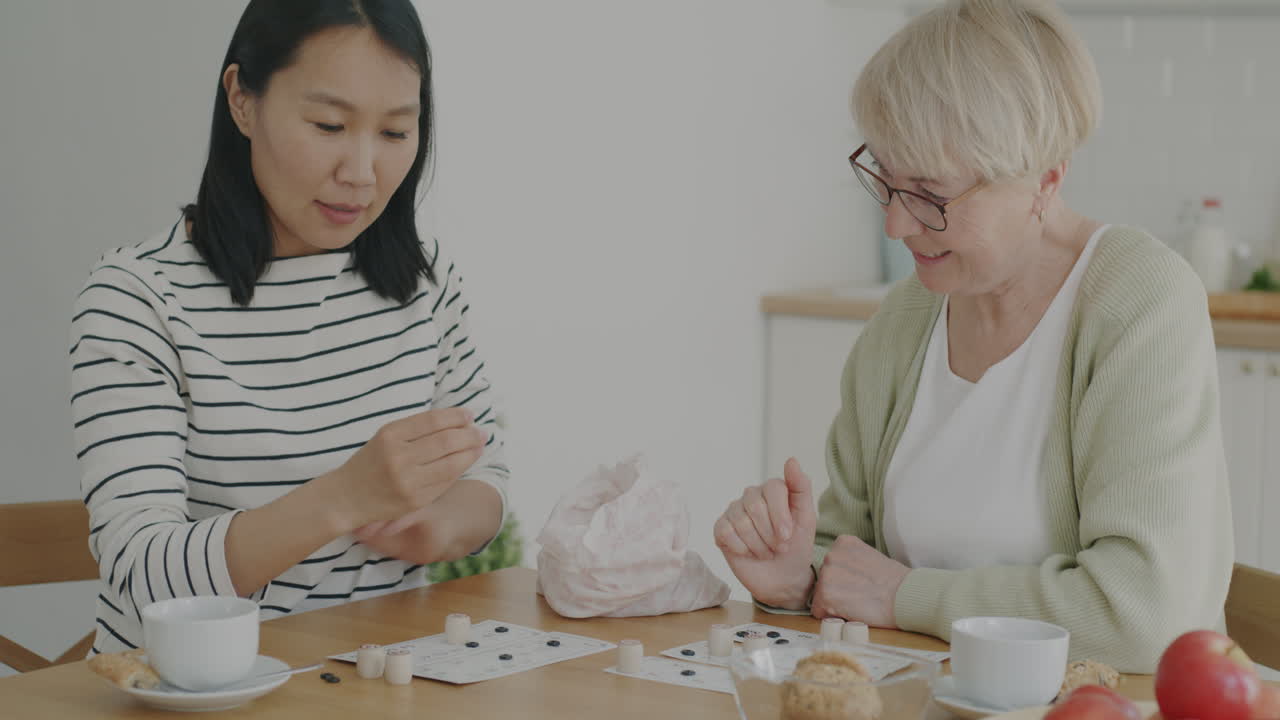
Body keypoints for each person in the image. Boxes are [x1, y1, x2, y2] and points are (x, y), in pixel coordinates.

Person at [714, 0, 1232, 672]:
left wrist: (911, 597)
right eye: (885, 182)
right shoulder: (904, 322)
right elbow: (851, 566)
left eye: (929, 195)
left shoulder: (1140, 303)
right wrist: (797, 580)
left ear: (1044, 180)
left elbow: (1144, 616)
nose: (895, 228)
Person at [69, 0, 507, 654]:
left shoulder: (424, 280)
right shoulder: (140, 298)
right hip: (197, 694)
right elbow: (142, 577)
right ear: (242, 99)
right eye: (329, 124)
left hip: (374, 689)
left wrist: (437, 528)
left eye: (394, 133)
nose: (362, 172)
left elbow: (486, 478)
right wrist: (344, 499)